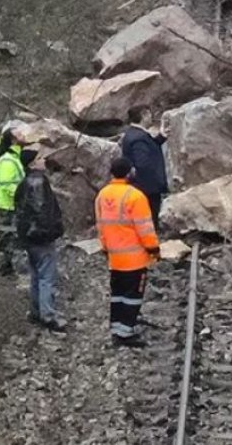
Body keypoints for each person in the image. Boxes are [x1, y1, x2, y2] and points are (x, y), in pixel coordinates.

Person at [95, 157, 160, 348]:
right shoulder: (135, 196)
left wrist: (105, 248)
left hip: (114, 257)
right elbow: (145, 228)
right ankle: (126, 332)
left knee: (117, 293)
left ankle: (117, 327)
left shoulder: (102, 195)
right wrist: (154, 250)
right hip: (134, 259)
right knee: (132, 296)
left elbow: (101, 225)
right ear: (130, 172)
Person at [14, 150, 66, 331]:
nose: (43, 160)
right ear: (31, 164)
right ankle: (48, 315)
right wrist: (50, 232)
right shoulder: (38, 183)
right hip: (40, 237)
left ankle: (36, 311)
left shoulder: (23, 183)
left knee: (36, 275)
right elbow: (41, 211)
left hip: (28, 237)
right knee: (46, 276)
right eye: (39, 158)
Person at [119, 105, 169, 231]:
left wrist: (161, 137)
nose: (151, 118)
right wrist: (157, 178)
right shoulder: (138, 137)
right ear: (144, 115)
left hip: (142, 185)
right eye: (149, 114)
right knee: (150, 220)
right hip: (147, 187)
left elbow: (148, 149)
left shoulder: (134, 134)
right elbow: (142, 162)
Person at [0, 130, 25, 276]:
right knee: (7, 236)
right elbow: (8, 184)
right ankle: (4, 267)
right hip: (8, 205)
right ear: (13, 141)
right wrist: (21, 197)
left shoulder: (11, 157)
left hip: (9, 204)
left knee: (8, 236)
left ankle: (6, 266)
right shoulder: (8, 160)